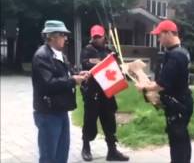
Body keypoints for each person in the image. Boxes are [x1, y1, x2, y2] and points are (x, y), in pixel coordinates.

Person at [135, 20, 194, 163]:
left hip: (177, 105)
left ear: (168, 33)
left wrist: (143, 86)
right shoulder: (182, 51)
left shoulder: (175, 55)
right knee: (183, 139)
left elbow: (162, 85)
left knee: (177, 142)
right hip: (184, 102)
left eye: (159, 35)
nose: (158, 39)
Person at [32, 20, 89, 163]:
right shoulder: (42, 56)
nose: (66, 38)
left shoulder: (59, 55)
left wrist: (78, 74)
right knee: (49, 155)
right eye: (62, 35)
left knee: (62, 153)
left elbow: (66, 75)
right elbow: (47, 84)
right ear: (51, 36)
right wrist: (72, 80)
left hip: (60, 110)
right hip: (48, 112)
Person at [80, 25, 129, 162]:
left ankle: (112, 151)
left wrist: (121, 69)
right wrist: (104, 63)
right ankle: (86, 147)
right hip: (92, 92)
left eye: (99, 36)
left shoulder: (109, 52)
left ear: (104, 36)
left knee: (109, 122)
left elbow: (115, 69)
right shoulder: (87, 51)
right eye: (95, 37)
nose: (97, 39)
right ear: (91, 37)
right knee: (89, 121)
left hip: (107, 92)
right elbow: (87, 66)